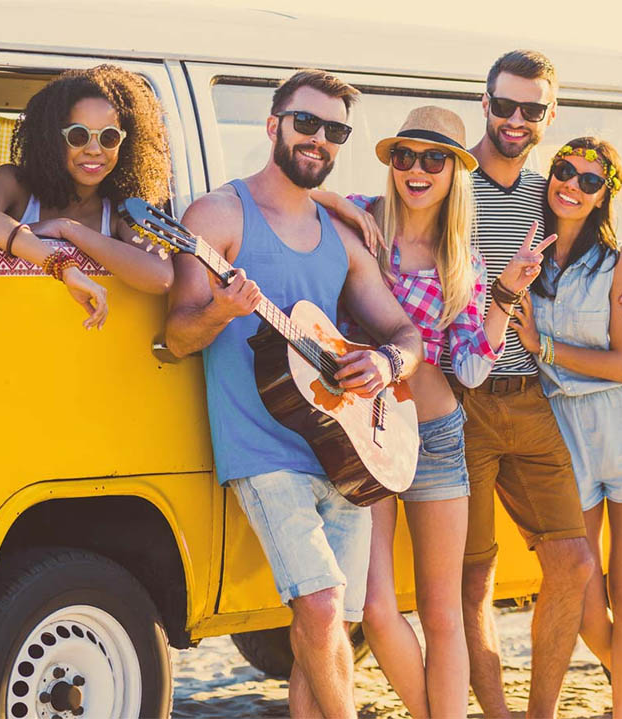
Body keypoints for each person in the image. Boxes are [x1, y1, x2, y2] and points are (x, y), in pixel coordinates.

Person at [164, 69, 423, 719]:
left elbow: (403, 330)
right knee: (320, 605)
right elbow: (177, 335)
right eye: (306, 123)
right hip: (263, 445)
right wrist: (223, 310)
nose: (319, 140)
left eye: (334, 131)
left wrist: (387, 364)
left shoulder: (341, 233)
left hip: (345, 448)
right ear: (273, 124)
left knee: (330, 624)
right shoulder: (216, 215)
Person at [313, 105, 556, 718]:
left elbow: (473, 368)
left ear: (454, 171)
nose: (416, 170)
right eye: (405, 156)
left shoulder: (462, 262)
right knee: (373, 608)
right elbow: (302, 192)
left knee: (443, 611)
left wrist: (506, 294)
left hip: (439, 435)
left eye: (433, 159)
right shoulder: (360, 220)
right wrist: (338, 202)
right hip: (363, 432)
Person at [451, 50, 622, 718]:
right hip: (463, 399)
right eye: (503, 104)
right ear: (484, 103)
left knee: (570, 562)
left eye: (529, 109)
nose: (514, 118)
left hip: (532, 397)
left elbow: (594, 245)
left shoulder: (546, 189)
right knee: (473, 575)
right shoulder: (451, 180)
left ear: (548, 115)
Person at [510, 136, 622, 719]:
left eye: (590, 180)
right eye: (565, 171)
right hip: (564, 434)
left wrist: (543, 346)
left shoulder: (619, 261)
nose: (573, 186)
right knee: (582, 598)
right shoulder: (524, 245)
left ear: (605, 193)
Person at [0, 64, 174, 327]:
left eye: (109, 137)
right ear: (52, 139)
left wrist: (68, 229)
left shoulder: (120, 209)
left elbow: (160, 275)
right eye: (79, 136)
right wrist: (63, 266)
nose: (94, 149)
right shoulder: (15, 183)